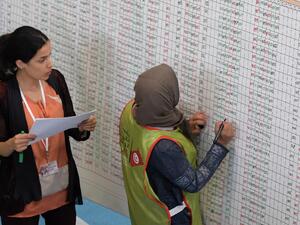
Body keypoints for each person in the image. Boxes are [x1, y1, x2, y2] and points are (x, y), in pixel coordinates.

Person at [0, 26, 97, 225]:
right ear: (21, 64)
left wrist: (81, 127)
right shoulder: (4, 94)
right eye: (41, 60)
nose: (49, 64)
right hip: (23, 192)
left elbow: (68, 124)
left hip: (59, 187)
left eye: (50, 56)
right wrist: (10, 145)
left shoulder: (56, 80)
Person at [119, 64, 235, 225]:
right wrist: (220, 144)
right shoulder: (163, 147)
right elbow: (193, 182)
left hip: (142, 213)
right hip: (166, 218)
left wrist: (186, 127)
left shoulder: (128, 112)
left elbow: (154, 119)